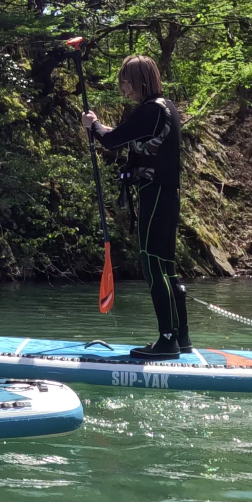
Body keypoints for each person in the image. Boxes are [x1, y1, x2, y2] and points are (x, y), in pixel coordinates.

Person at [80, 55, 190, 360]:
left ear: (141, 79)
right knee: (166, 267)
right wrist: (103, 127)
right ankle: (181, 337)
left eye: (126, 82)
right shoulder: (164, 108)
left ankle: (167, 340)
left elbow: (112, 139)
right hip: (165, 196)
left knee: (153, 265)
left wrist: (94, 124)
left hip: (156, 195)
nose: (123, 88)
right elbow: (132, 135)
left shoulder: (152, 110)